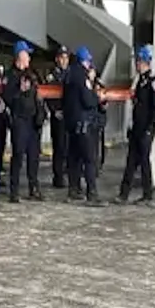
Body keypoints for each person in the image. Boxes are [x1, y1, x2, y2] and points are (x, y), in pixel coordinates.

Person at [1, 41, 45, 202]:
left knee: (34, 156)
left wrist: (41, 115)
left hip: (33, 121)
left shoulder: (32, 74)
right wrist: (19, 90)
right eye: (27, 54)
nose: (29, 58)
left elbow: (38, 96)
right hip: (19, 120)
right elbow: (7, 97)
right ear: (20, 55)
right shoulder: (10, 75)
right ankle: (14, 191)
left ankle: (34, 188)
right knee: (18, 155)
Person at [119, 46, 155, 206]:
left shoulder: (152, 82)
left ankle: (148, 195)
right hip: (137, 128)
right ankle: (123, 194)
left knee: (144, 161)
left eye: (139, 62)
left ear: (145, 62)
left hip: (145, 130)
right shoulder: (140, 82)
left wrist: (150, 129)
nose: (137, 65)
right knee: (131, 161)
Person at [62, 46, 103, 204]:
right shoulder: (83, 77)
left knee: (74, 159)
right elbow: (88, 101)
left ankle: (73, 190)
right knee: (89, 159)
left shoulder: (68, 75)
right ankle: (91, 193)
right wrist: (95, 94)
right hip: (83, 123)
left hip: (71, 124)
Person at [43, 46, 70, 188]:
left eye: (66, 57)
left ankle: (68, 173)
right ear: (57, 59)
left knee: (69, 147)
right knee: (59, 147)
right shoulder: (52, 76)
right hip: (58, 116)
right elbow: (48, 95)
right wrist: (55, 111)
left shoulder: (70, 73)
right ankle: (58, 176)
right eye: (61, 57)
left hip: (70, 115)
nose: (64, 60)